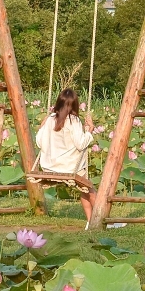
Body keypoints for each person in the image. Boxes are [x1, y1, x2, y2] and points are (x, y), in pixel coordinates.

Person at [35, 88, 96, 228]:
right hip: (69, 168)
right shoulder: (73, 120)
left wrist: (41, 127)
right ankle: (100, 218)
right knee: (89, 188)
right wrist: (90, 131)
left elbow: (39, 143)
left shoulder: (50, 119)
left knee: (84, 188)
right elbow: (81, 145)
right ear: (74, 105)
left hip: (49, 166)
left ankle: (90, 221)